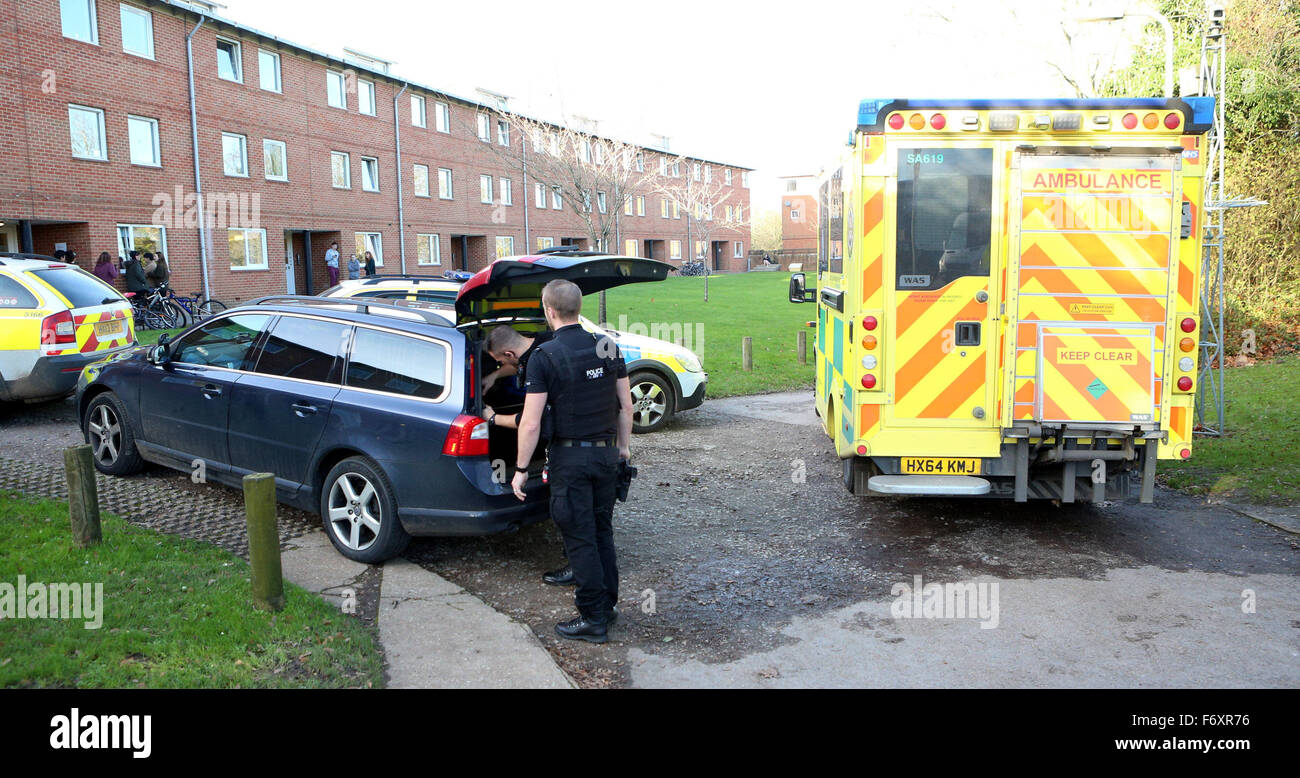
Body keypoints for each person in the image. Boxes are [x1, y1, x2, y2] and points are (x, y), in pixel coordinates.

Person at [511, 280, 634, 643]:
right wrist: (623, 450)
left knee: (580, 538)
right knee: (601, 532)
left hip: (571, 460)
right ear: (578, 308)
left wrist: (519, 471)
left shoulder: (544, 356)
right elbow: (626, 406)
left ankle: (593, 618)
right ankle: (607, 607)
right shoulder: (608, 346)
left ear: (549, 310)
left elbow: (531, 422)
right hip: (607, 454)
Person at [482, 324, 574, 586]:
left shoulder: (538, 363)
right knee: (588, 517)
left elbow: (530, 421)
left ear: (509, 353)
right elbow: (515, 365)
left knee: (570, 514)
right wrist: (495, 376)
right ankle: (589, 574)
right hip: (595, 445)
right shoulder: (545, 342)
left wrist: (493, 418)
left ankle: (580, 575)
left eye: (499, 360)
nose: (500, 363)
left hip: (564, 447)